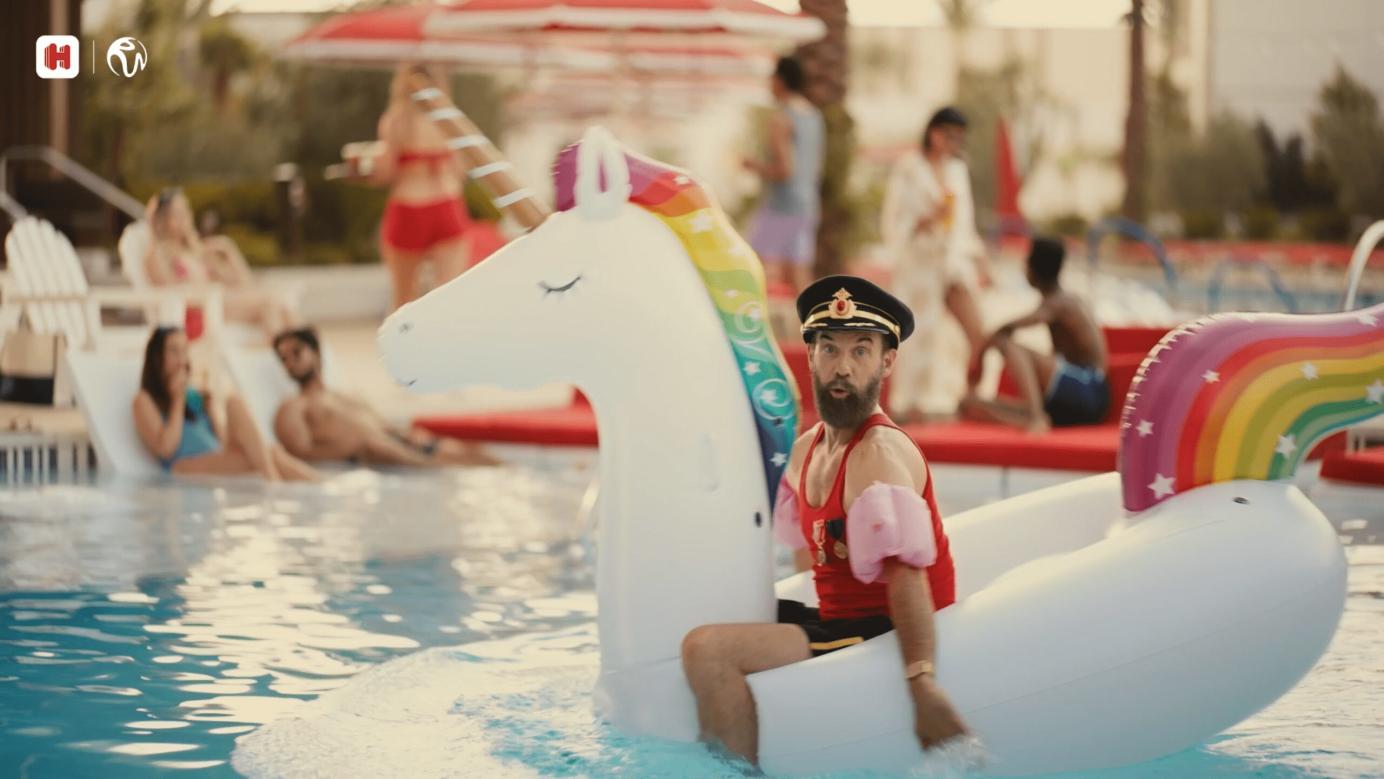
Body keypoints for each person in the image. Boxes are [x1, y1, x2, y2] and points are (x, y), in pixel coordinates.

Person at [681, 276, 967, 766]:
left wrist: (922, 684)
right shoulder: (806, 450)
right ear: (810, 355)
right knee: (705, 607)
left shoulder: (877, 453)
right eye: (830, 348)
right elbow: (807, 558)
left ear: (887, 361)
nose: (843, 367)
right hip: (842, 620)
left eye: (861, 351)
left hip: (887, 629)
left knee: (708, 649)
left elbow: (907, 576)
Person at [882, 107, 992, 424]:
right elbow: (893, 218)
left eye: (960, 137)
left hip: (953, 260)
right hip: (918, 261)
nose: (955, 142)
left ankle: (971, 397)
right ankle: (910, 404)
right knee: (918, 333)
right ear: (935, 133)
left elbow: (965, 222)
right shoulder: (909, 168)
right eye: (951, 135)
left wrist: (979, 257)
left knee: (976, 331)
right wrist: (920, 222)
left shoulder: (957, 171)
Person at [271, 327, 497, 467]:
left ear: (317, 351)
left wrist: (407, 435)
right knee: (455, 469)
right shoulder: (293, 407)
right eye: (283, 359)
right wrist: (354, 448)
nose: (290, 362)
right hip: (374, 455)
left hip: (400, 444)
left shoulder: (348, 395)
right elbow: (300, 454)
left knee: (480, 456)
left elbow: (382, 425)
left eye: (296, 352)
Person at [960, 237, 1109, 433]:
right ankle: (1034, 415)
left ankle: (1036, 417)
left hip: (1088, 390)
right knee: (969, 404)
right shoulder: (1059, 301)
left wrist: (981, 354)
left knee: (1009, 344)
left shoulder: (1061, 303)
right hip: (1073, 396)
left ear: (1033, 269)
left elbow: (1007, 329)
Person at [133, 326, 317, 480]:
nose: (182, 358)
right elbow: (165, 449)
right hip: (183, 466)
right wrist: (177, 399)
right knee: (267, 455)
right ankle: (285, 484)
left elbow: (219, 441)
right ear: (157, 357)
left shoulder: (191, 394)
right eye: (174, 350)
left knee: (235, 404)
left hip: (214, 457)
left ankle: (318, 484)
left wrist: (210, 411)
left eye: (184, 350)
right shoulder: (144, 399)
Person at [371, 63, 473, 312]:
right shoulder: (449, 121)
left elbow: (385, 172)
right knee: (450, 293)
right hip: (446, 204)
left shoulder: (396, 121)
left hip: (409, 206)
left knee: (403, 298)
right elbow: (462, 171)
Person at [144, 188, 297, 337]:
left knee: (281, 304)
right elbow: (166, 292)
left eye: (186, 211)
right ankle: (286, 354)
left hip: (219, 301)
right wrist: (152, 229)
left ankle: (298, 353)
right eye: (177, 213)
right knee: (269, 304)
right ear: (163, 219)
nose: (185, 218)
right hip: (200, 310)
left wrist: (230, 251)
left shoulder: (197, 251)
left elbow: (243, 283)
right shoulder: (158, 254)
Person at [743, 55, 825, 296]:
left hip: (782, 205)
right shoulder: (813, 116)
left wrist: (753, 165)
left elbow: (785, 171)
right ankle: (813, 330)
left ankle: (748, 325)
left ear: (780, 81)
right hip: (808, 203)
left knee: (750, 267)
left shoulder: (781, 118)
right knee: (798, 272)